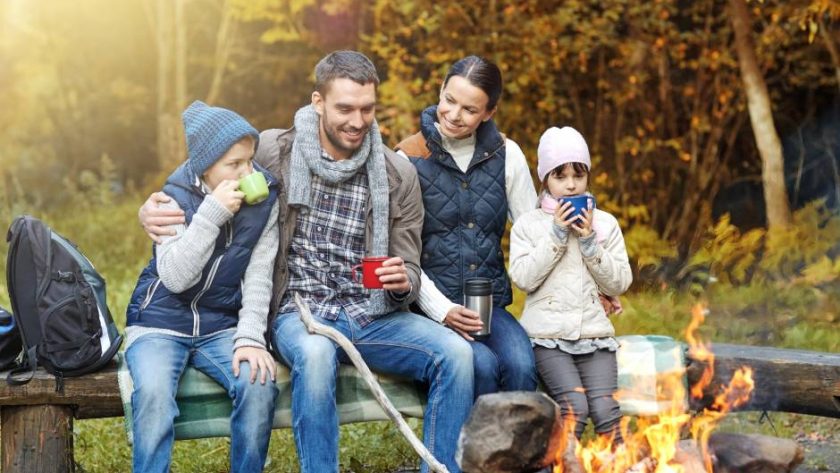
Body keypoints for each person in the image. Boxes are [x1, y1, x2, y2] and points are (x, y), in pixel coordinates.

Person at [140, 51, 474, 473]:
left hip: (368, 312)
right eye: (345, 109)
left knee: (456, 355)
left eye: (367, 109)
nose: (357, 121)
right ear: (318, 102)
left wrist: (401, 279)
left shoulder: (397, 175)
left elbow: (408, 263)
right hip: (297, 309)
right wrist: (150, 208)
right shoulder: (271, 150)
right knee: (316, 354)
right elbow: (203, 169)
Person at [125, 100, 280, 473]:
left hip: (219, 325)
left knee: (259, 385)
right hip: (158, 323)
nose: (247, 172)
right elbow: (177, 278)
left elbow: (260, 275)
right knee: (154, 394)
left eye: (250, 160)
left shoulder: (265, 201)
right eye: (234, 164)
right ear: (205, 167)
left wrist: (249, 338)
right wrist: (212, 213)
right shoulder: (172, 199)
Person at [395, 55, 538, 398]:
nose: (454, 115)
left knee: (522, 366)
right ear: (441, 91)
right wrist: (442, 311)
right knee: (482, 367)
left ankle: (518, 451)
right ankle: (475, 452)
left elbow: (535, 234)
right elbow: (402, 253)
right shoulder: (408, 158)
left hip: (489, 307)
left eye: (470, 110)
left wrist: (588, 285)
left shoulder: (508, 154)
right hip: (430, 311)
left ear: (489, 112)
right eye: (449, 100)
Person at [508, 126, 632, 442]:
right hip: (546, 338)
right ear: (545, 180)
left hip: (595, 336)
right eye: (560, 176)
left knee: (606, 413)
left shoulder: (605, 224)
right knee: (574, 407)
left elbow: (620, 282)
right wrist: (557, 234)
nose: (571, 185)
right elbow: (523, 278)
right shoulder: (529, 225)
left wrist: (590, 241)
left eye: (578, 175)